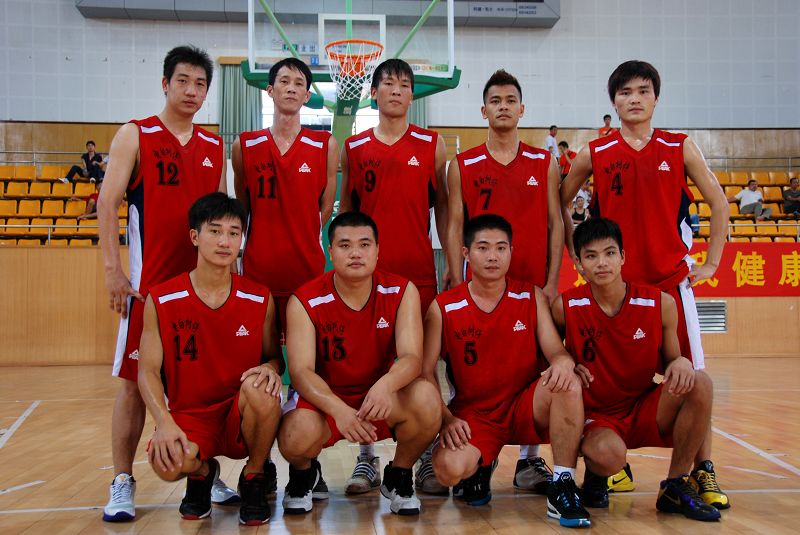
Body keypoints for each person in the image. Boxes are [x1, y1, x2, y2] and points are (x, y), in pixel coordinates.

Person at [560, 60, 729, 509]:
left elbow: (718, 201)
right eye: (625, 92)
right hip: (616, 294)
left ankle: (700, 471)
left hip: (670, 286)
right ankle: (607, 467)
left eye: (642, 91)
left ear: (656, 97)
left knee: (693, 381)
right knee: (602, 381)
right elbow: (558, 200)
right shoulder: (595, 152)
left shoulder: (679, 146)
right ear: (613, 102)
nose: (634, 99)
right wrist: (574, 250)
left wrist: (712, 262)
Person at [97, 45, 230, 522]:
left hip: (201, 290)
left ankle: (204, 473)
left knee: (199, 386)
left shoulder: (214, 146)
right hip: (148, 289)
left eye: (200, 84)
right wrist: (113, 270)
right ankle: (121, 480)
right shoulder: (136, 134)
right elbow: (107, 201)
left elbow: (220, 219)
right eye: (183, 81)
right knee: (134, 385)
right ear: (165, 83)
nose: (192, 91)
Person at [425, 214, 590, 528]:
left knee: (567, 380)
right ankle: (480, 465)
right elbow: (425, 372)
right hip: (474, 416)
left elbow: (555, 351)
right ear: (465, 253)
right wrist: (445, 418)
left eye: (501, 248)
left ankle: (563, 484)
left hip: (524, 406)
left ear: (511, 252)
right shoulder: (444, 306)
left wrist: (563, 361)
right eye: (483, 248)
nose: (493, 256)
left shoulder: (531, 296)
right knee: (448, 469)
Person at [551, 217, 720, 522]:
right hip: (597, 416)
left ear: (623, 257)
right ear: (579, 264)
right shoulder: (566, 307)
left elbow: (672, 361)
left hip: (643, 407)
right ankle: (595, 475)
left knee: (701, 382)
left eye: (609, 253)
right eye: (591, 256)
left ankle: (675, 484)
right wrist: (566, 361)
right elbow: (551, 355)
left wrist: (681, 362)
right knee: (608, 456)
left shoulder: (660, 304)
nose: (602, 263)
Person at [445, 69, 563, 495]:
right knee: (474, 367)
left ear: (522, 109)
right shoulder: (462, 165)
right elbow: (455, 224)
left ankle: (530, 461)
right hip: (481, 286)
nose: (503, 107)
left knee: (537, 367)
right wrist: (454, 277)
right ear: (483, 111)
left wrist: (552, 281)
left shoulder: (543, 162)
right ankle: (482, 453)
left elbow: (556, 223)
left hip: (532, 284)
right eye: (495, 101)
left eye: (510, 100)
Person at [277, 211, 441, 516]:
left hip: (378, 397)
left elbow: (412, 358)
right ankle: (303, 475)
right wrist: (338, 409)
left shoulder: (401, 290)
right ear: (330, 251)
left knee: (428, 399)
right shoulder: (305, 299)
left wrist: (386, 385)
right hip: (326, 401)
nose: (355, 253)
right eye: (345, 245)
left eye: (364, 244)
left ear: (377, 250)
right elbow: (300, 372)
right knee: (294, 434)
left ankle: (399, 475)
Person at [138, 193, 283, 525]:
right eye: (215, 231)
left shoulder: (259, 297)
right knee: (167, 463)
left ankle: (254, 476)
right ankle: (202, 473)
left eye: (234, 233)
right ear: (194, 236)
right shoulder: (161, 299)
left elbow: (275, 358)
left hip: (238, 413)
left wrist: (270, 368)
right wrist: (163, 421)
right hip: (190, 415)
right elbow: (147, 372)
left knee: (263, 388)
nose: (224, 241)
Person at [338, 58, 448, 495]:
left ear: (412, 94)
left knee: (421, 369)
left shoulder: (432, 144)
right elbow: (347, 216)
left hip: (418, 274)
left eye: (405, 84)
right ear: (374, 92)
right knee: (367, 366)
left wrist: (451, 265)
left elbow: (445, 211)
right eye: (388, 83)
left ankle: (424, 453)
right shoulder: (354, 147)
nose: (397, 90)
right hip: (367, 281)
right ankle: (366, 458)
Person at [232, 57, 338, 344]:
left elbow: (325, 208)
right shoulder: (245, 145)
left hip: (306, 271)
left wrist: (302, 233)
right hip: (258, 271)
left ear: (306, 96)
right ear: (270, 90)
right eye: (284, 81)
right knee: (258, 354)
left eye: (299, 84)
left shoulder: (325, 145)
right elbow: (243, 206)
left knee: (306, 355)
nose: (291, 88)